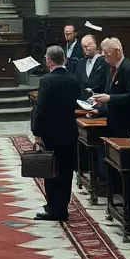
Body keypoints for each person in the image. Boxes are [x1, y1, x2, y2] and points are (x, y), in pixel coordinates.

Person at [31, 45, 80, 222]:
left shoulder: (46, 81)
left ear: (48, 60)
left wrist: (37, 132)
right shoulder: (73, 79)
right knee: (66, 172)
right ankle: (63, 206)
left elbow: (41, 109)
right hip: (68, 131)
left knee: (51, 171)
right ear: (64, 60)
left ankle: (54, 209)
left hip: (51, 133)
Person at [92, 38, 130, 137]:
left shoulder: (129, 68)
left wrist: (109, 98)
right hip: (115, 123)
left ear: (117, 51)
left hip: (128, 125)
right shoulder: (111, 68)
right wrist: (102, 101)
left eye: (106, 52)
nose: (103, 54)